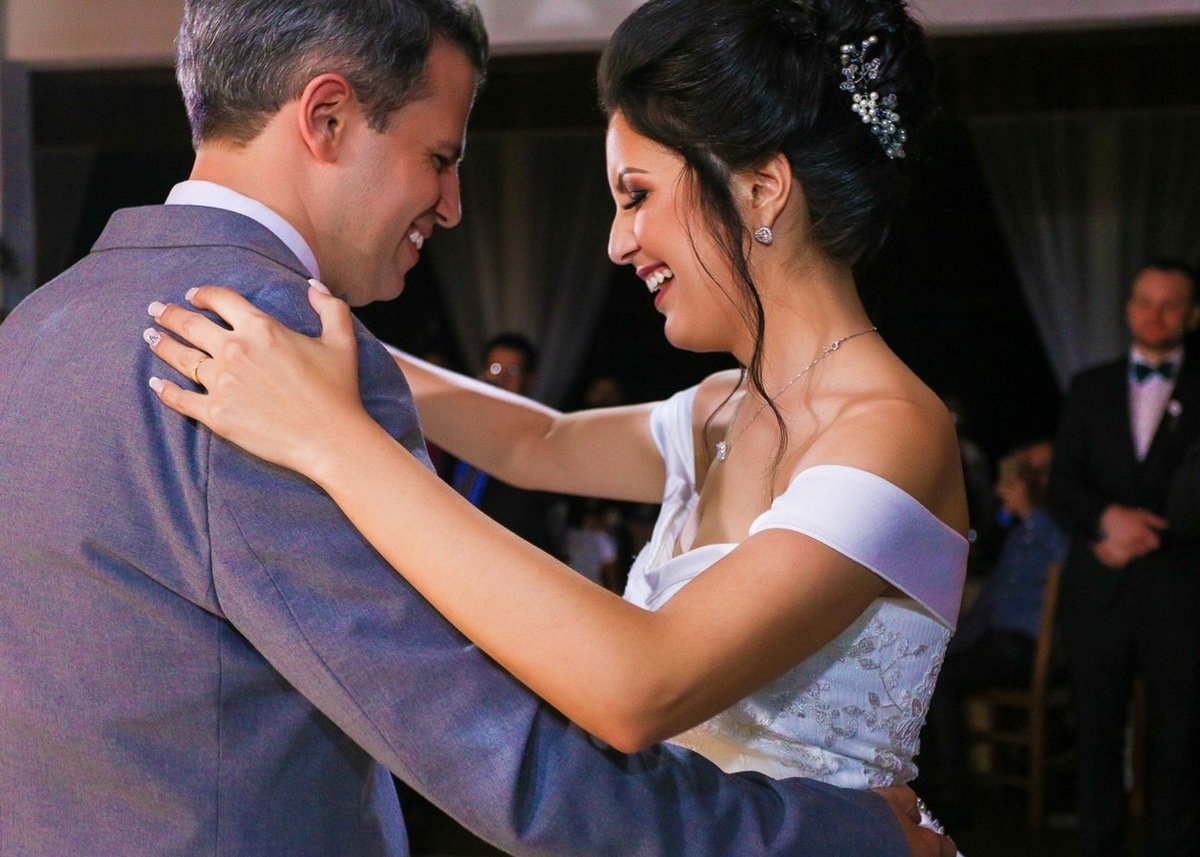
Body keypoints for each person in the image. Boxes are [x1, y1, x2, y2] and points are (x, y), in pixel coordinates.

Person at [0, 1, 953, 855]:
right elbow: (538, 444)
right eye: (441, 158)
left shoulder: (39, 326)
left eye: (635, 195)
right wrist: (326, 359)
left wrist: (333, 425)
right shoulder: (716, 411)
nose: (618, 241)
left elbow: (643, 680)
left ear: (762, 189)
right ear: (326, 118)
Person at [1048, 260, 1200, 856]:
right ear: (1129, 307)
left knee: (1179, 744)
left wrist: (1150, 533)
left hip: (1180, 593)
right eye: (1144, 301)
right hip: (1099, 587)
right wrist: (1106, 520)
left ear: (1191, 315)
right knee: (1095, 739)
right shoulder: (1089, 386)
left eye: (1169, 304)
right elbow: (1062, 482)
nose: (1154, 314)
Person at [922, 444, 1069, 823]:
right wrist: (948, 644)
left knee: (941, 681)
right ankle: (933, 784)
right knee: (926, 672)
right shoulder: (1019, 538)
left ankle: (953, 795)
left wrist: (1032, 509)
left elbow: (1067, 558)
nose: (1002, 490)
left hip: (1023, 647)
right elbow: (989, 603)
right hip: (999, 642)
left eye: (1010, 484)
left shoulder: (1050, 529)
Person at [444, 332, 564, 556]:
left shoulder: (539, 432)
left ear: (530, 380)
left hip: (511, 555)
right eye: (495, 368)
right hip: (451, 545)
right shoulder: (458, 422)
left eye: (513, 372)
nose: (501, 379)